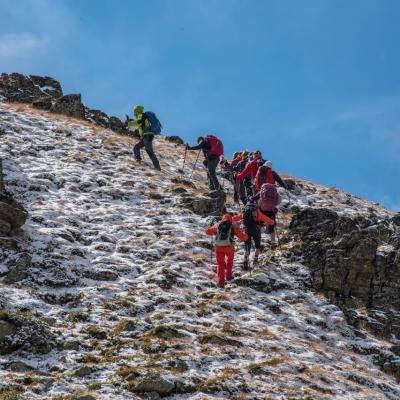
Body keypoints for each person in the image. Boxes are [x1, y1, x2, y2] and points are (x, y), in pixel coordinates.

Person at [205, 214, 248, 287]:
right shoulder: (233, 226)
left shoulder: (218, 224)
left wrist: (212, 228)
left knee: (220, 264)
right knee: (230, 260)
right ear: (231, 219)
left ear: (223, 218)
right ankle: (228, 276)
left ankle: (220, 282)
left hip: (218, 247)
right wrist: (246, 234)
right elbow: (244, 238)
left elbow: (207, 232)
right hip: (229, 247)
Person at [240, 202, 275, 269]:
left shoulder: (244, 212)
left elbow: (236, 218)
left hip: (247, 230)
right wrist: (273, 222)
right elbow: (268, 220)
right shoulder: (258, 212)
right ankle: (255, 260)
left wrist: (229, 219)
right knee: (257, 246)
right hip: (256, 230)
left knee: (247, 246)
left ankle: (245, 259)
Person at [128, 105, 161, 170]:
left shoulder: (142, 116)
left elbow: (138, 123)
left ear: (137, 110)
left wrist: (129, 123)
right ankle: (138, 159)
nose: (134, 113)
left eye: (135, 111)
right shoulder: (143, 116)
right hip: (146, 136)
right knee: (136, 147)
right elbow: (140, 126)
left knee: (149, 150)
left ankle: (157, 167)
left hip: (147, 135)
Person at [252, 183, 281, 247]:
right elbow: (278, 201)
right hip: (271, 211)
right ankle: (273, 242)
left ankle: (257, 241)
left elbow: (254, 198)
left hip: (262, 210)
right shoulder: (275, 192)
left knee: (259, 224)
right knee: (271, 227)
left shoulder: (262, 191)